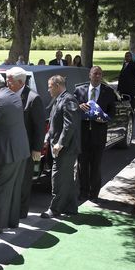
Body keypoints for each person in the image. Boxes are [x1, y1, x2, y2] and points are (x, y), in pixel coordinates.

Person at [0, 72, 30, 233]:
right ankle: (11, 221)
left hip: (6, 152)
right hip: (20, 149)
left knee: (0, 189)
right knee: (14, 188)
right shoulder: (12, 95)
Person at [6, 67, 46, 219]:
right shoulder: (8, 94)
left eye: (9, 80)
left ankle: (21, 212)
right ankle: (9, 209)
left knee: (23, 182)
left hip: (26, 148)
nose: (6, 83)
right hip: (10, 147)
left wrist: (37, 148)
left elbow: (39, 126)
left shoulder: (33, 98)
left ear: (20, 82)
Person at [74, 66, 116, 200]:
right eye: (95, 74)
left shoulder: (108, 91)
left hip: (99, 135)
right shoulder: (79, 90)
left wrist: (104, 119)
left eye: (100, 74)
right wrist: (78, 106)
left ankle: (94, 193)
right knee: (83, 165)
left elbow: (112, 113)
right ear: (89, 75)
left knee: (96, 165)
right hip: (83, 134)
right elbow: (71, 108)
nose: (97, 76)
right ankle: (83, 191)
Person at [42, 75, 80, 218]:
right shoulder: (59, 100)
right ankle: (71, 208)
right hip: (59, 147)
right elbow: (53, 123)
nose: (48, 90)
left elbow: (69, 125)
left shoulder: (68, 100)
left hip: (66, 148)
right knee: (67, 179)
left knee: (57, 178)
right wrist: (47, 138)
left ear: (58, 85)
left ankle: (55, 209)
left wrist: (60, 143)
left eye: (50, 86)